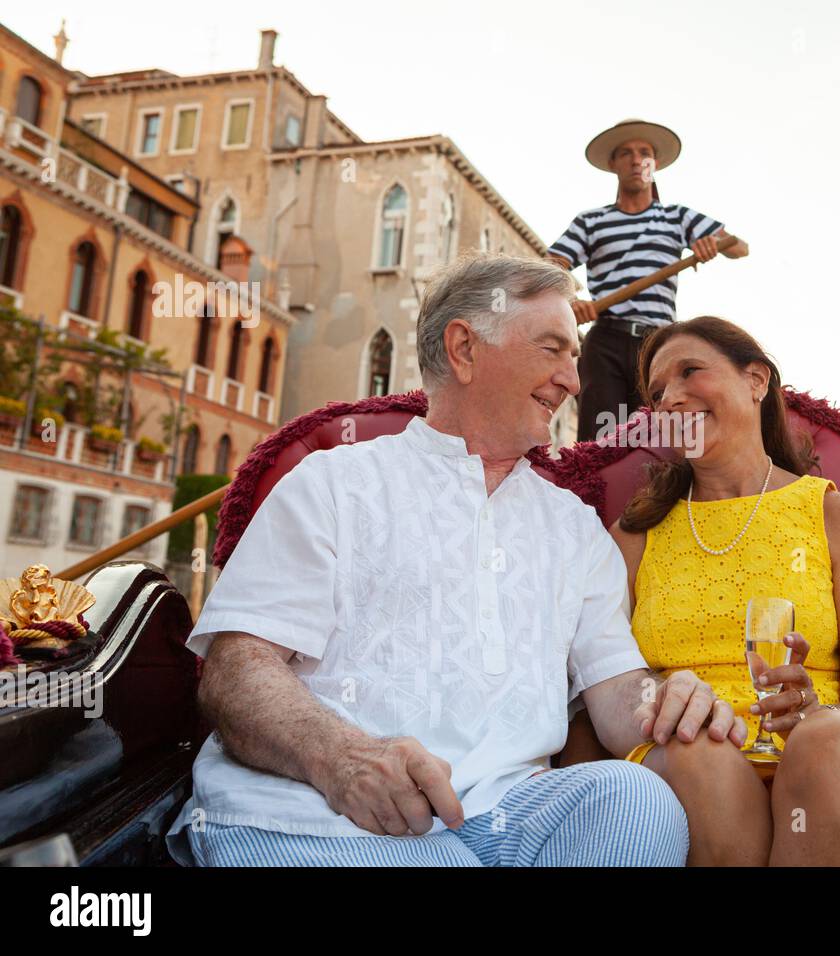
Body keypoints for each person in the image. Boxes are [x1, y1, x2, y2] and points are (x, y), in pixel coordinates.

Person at [164, 256, 747, 867]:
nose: (573, 382)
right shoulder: (335, 482)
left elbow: (615, 687)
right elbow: (236, 668)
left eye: (574, 358)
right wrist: (339, 757)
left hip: (506, 815)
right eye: (552, 350)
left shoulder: (574, 525)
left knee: (634, 798)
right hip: (317, 816)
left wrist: (664, 698)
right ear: (465, 349)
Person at [588, 315, 840, 865]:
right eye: (658, 393)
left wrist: (810, 716)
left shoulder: (835, 516)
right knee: (697, 751)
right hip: (691, 760)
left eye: (691, 372)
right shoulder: (636, 536)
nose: (672, 399)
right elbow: (603, 679)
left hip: (831, 760)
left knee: (831, 740)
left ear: (756, 380)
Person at [545, 118, 748, 442]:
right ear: (613, 164)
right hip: (606, 342)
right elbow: (550, 266)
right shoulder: (592, 221)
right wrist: (570, 303)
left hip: (660, 344)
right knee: (600, 438)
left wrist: (712, 244)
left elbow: (739, 247)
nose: (636, 160)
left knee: (658, 438)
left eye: (644, 153)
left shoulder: (676, 217)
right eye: (626, 153)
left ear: (654, 164)